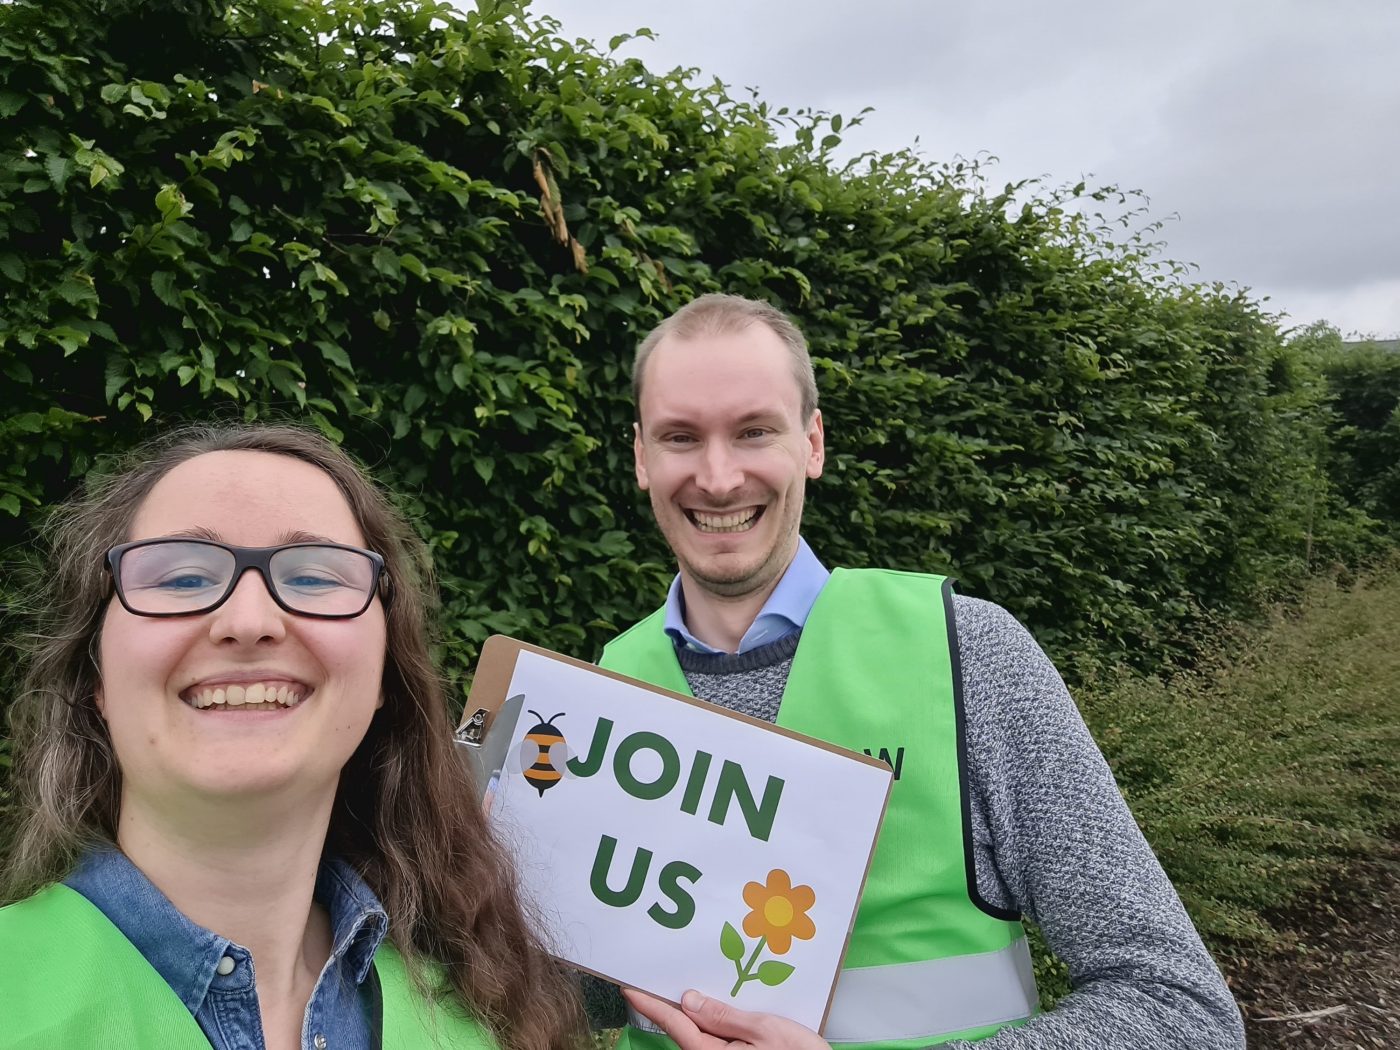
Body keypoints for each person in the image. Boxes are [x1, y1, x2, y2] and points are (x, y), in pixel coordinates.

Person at [597, 295, 1246, 1049]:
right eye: (681, 437)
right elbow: (573, 993)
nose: (716, 476)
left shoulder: (968, 653)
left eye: (753, 431)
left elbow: (1182, 1012)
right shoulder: (600, 692)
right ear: (642, 456)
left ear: (812, 443)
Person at [0, 425, 586, 1050]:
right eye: (181, 578)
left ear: (384, 670)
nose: (249, 621)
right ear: (96, 674)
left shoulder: (493, 1019)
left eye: (313, 577)